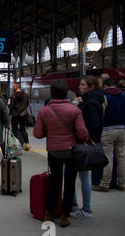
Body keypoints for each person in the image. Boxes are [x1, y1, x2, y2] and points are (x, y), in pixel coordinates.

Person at [33, 80, 89, 227]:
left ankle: (48, 213)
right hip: (71, 152)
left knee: (55, 181)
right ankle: (64, 216)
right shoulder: (75, 110)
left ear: (52, 93)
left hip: (54, 152)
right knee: (70, 183)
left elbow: (37, 134)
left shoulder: (45, 110)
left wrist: (49, 131)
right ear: (66, 93)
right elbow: (83, 133)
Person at [71, 76, 104, 219]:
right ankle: (75, 203)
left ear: (91, 87)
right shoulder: (94, 101)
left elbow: (93, 125)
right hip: (86, 143)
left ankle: (86, 209)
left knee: (83, 176)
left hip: (84, 144)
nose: (80, 86)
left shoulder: (89, 104)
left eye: (83, 84)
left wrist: (85, 137)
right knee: (77, 174)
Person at [96, 78, 124, 192]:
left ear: (106, 86)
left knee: (108, 158)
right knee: (122, 158)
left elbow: (101, 114)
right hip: (122, 129)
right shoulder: (123, 96)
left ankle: (105, 184)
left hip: (108, 130)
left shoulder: (105, 97)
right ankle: (122, 184)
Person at [9, 82, 30, 151]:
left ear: (17, 86)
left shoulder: (13, 95)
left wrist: (9, 105)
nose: (12, 87)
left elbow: (11, 105)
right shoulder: (25, 94)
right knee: (23, 129)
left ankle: (14, 145)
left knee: (14, 130)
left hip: (15, 115)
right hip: (23, 114)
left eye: (13, 86)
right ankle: (27, 145)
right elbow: (27, 103)